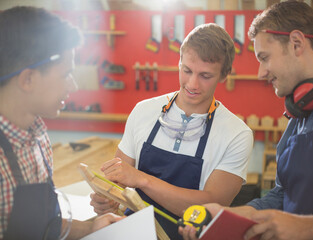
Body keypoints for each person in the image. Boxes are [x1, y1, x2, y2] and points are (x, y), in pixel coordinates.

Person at [179, 1, 313, 240]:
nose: (260, 72)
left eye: (264, 57)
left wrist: (308, 228)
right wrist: (226, 215)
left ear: (296, 43)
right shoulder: (299, 115)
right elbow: (283, 196)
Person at [90, 23, 254, 239]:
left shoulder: (237, 134)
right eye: (187, 71)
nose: (193, 84)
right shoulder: (143, 111)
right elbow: (118, 180)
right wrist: (108, 199)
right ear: (179, 63)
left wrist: (142, 179)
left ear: (225, 75)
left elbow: (211, 205)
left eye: (205, 76)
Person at [0, 6, 123, 240]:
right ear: (28, 79)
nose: (73, 86)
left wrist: (91, 229)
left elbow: (41, 225)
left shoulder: (37, 135)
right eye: (66, 74)